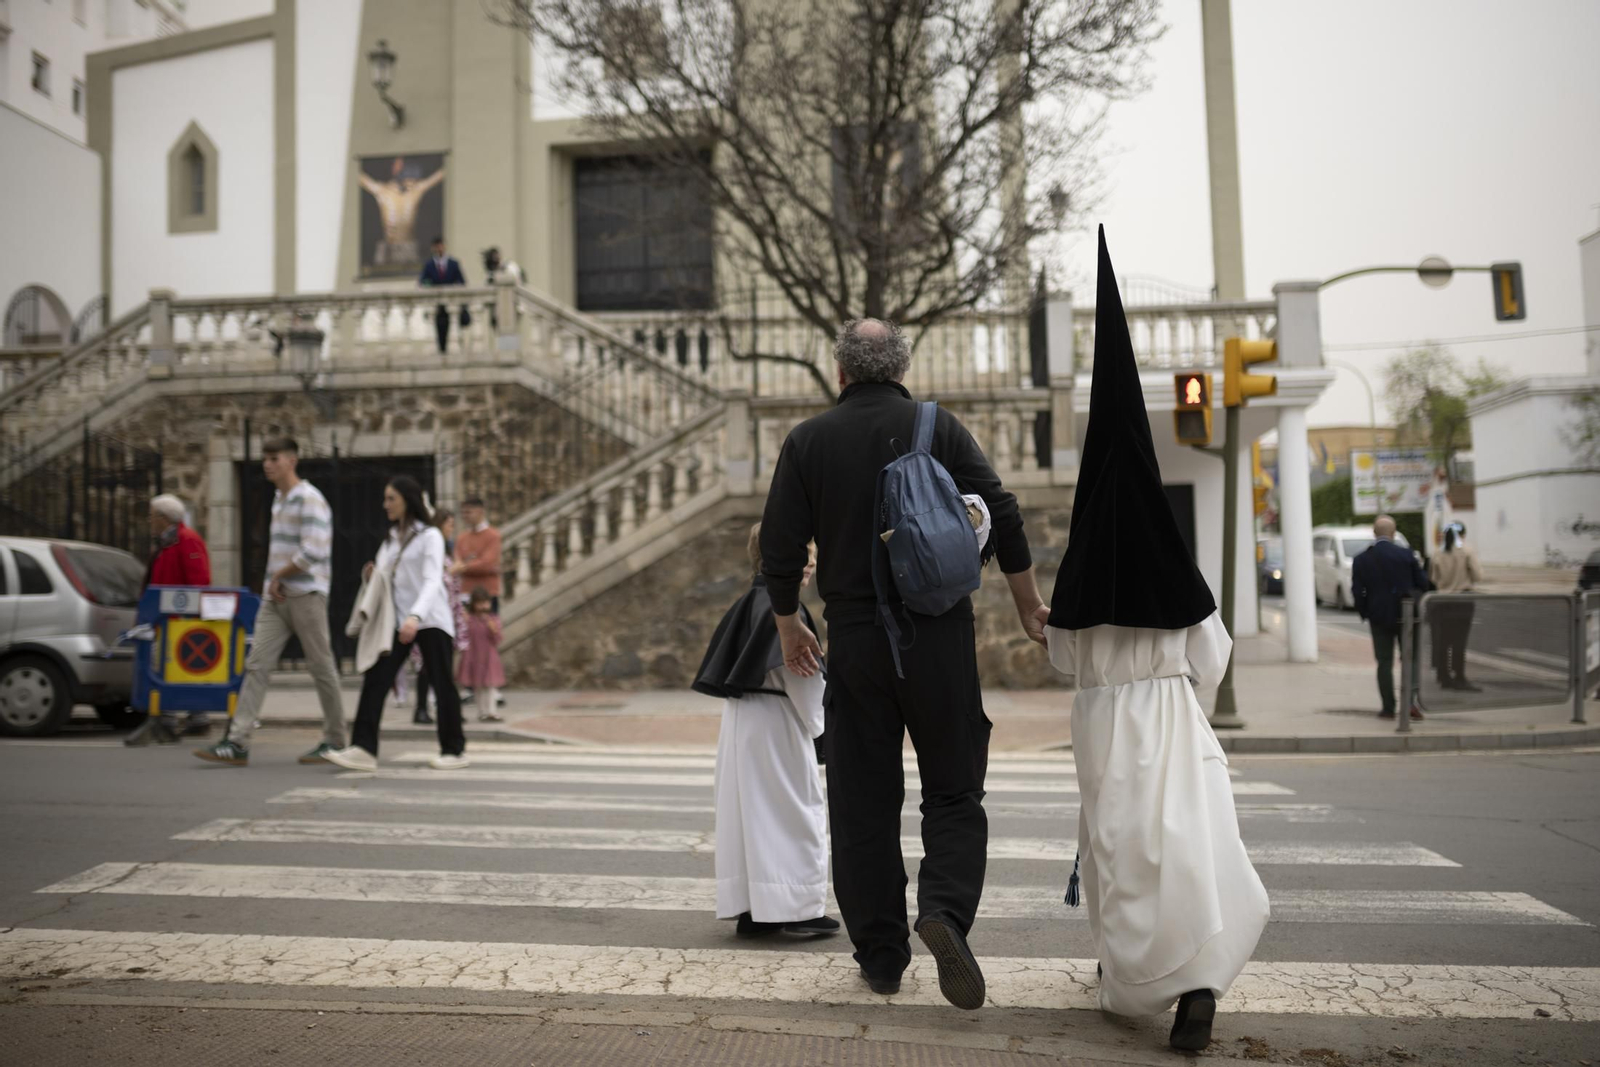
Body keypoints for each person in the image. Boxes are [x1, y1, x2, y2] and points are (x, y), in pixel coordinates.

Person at [760, 317, 1047, 1009]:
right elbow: (1001, 510)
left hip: (856, 637)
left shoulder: (808, 441)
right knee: (953, 786)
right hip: (939, 632)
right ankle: (945, 911)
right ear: (901, 365)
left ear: (840, 371)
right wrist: (1027, 604)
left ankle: (883, 955)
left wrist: (789, 620)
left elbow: (778, 542)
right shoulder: (935, 426)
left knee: (862, 800)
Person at [1043, 227, 1268, 1053]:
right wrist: (1174, 678)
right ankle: (1198, 985)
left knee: (1123, 856)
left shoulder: (1078, 578)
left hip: (1103, 725)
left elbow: (1064, 658)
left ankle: (1133, 978)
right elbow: (1214, 659)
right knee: (1192, 850)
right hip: (1171, 717)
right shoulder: (1176, 570)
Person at [696, 527, 837, 939]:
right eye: (804, 554)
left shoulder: (747, 602)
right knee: (795, 812)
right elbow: (803, 678)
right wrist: (822, 730)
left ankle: (754, 910)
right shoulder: (786, 610)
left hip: (742, 720)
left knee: (749, 816)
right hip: (778, 720)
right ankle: (797, 907)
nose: (811, 562)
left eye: (812, 555)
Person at [195, 438, 345, 768]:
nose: (267, 464)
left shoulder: (309, 499)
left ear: (291, 461)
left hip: (306, 595)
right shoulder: (278, 499)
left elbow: (314, 550)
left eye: (273, 458)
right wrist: (273, 583)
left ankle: (336, 739)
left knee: (321, 667)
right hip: (274, 598)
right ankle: (237, 742)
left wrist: (280, 575)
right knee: (256, 665)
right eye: (265, 458)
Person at [325, 476, 469, 772]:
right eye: (385, 498)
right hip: (398, 620)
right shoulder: (391, 538)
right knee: (376, 678)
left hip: (431, 619)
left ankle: (454, 750)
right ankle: (363, 749)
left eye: (391, 498)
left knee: (442, 684)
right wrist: (371, 577)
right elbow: (385, 579)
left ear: (407, 499)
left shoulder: (430, 536)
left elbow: (432, 581)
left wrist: (416, 617)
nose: (385, 504)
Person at [143, 494, 213, 738]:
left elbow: (199, 580)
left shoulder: (186, 540)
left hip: (179, 619)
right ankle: (193, 716)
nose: (149, 520)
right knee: (175, 666)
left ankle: (173, 718)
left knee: (172, 666)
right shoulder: (168, 541)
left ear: (163, 518)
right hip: (165, 617)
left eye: (152, 516)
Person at [1351, 515, 1430, 720]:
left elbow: (1358, 591)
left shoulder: (1362, 559)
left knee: (1384, 662)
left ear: (1374, 533)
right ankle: (1410, 703)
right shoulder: (1406, 555)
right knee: (1410, 659)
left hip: (1378, 617)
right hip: (1407, 616)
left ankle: (1388, 707)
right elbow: (1423, 583)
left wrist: (1365, 612)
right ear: (1393, 533)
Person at [409, 507, 469, 725]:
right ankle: (423, 708)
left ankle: (445, 710)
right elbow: (430, 579)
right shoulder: (432, 545)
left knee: (442, 667)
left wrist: (460, 608)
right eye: (449, 525)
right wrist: (451, 573)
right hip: (431, 614)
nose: (451, 529)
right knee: (429, 666)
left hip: (447, 612)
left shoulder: (446, 549)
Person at [1428, 521, 1484, 692]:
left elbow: (1433, 578)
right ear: (1463, 534)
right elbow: (1478, 575)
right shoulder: (1467, 551)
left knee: (1444, 640)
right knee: (1459, 642)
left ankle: (1444, 676)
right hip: (1462, 600)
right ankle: (1459, 676)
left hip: (1442, 601)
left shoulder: (1437, 552)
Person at [456, 587, 506, 722]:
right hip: (473, 656)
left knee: (490, 686)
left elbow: (498, 639)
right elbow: (463, 636)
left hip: (489, 656)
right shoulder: (470, 620)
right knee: (478, 686)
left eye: (485, 602)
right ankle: (482, 711)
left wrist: (492, 628)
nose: (483, 606)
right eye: (480, 603)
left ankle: (491, 711)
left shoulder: (493, 619)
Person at [419, 237, 468, 354]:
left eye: (441, 245)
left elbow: (462, 282)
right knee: (439, 332)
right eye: (437, 246)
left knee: (453, 331)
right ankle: (441, 351)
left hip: (451, 304)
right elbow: (422, 282)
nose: (439, 248)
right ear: (433, 248)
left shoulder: (453, 264)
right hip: (437, 306)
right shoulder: (429, 265)